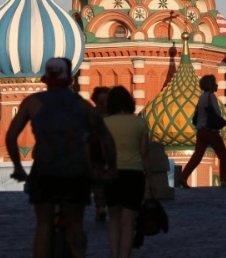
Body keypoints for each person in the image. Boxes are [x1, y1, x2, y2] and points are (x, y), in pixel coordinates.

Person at [9, 58, 113, 258]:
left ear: (46, 79)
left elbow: (11, 137)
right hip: (74, 171)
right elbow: (105, 138)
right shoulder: (83, 106)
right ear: (70, 80)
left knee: (43, 225)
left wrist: (18, 167)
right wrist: (112, 166)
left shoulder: (32, 103)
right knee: (75, 225)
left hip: (44, 171)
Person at [103, 86, 152, 258]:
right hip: (134, 175)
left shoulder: (105, 123)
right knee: (128, 222)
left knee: (114, 220)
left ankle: (114, 255)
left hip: (111, 174)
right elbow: (144, 154)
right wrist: (150, 179)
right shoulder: (140, 123)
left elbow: (103, 151)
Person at [177, 75, 226, 188]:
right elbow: (216, 113)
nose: (217, 85)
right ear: (210, 85)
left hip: (201, 131)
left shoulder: (202, 97)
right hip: (210, 131)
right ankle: (225, 180)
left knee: (197, 156)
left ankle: (183, 176)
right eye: (214, 83)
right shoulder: (211, 96)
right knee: (223, 155)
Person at [90, 86, 111, 222]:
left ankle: (103, 206)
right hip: (96, 153)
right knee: (98, 182)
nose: (103, 105)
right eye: (101, 102)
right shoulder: (91, 116)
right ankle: (100, 207)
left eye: (106, 102)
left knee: (105, 182)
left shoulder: (113, 116)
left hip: (109, 154)